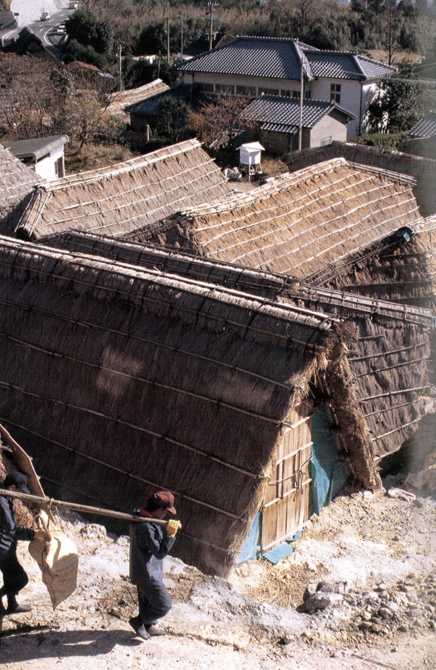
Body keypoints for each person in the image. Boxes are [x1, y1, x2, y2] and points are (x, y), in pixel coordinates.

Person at [129, 489, 181, 640]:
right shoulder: (145, 526)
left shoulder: (143, 517)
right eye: (166, 512)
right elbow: (159, 552)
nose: (166, 516)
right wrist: (171, 535)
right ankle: (139, 621)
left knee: (147, 601)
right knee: (163, 604)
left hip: (146, 568)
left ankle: (148, 625)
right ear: (159, 509)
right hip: (147, 573)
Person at [0, 471, 48, 616]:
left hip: (6, 547)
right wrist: (33, 534)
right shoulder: (2, 502)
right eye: (19, 491)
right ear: (12, 488)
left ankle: (12, 605)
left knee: (10, 576)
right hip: (2, 549)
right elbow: (11, 528)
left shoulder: (5, 498)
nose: (20, 496)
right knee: (20, 579)